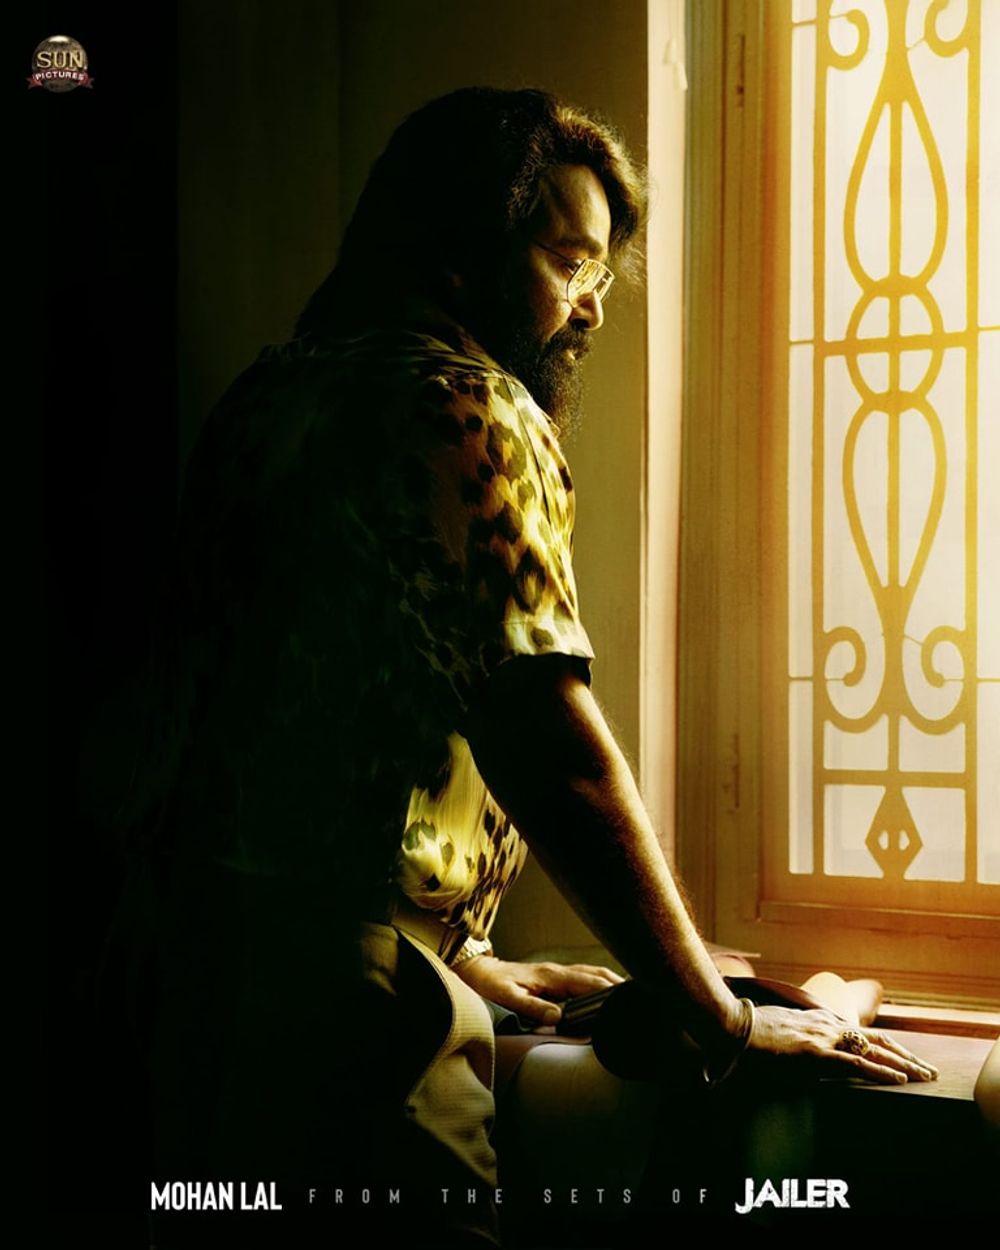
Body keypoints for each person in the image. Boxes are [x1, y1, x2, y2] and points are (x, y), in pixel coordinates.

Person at [106, 87, 936, 1247]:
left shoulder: (266, 397)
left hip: (187, 971)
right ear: (460, 244)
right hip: (353, 1003)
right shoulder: (463, 403)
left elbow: (283, 729)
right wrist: (721, 1018)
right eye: (566, 259)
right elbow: (548, 743)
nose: (590, 305)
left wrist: (459, 952)